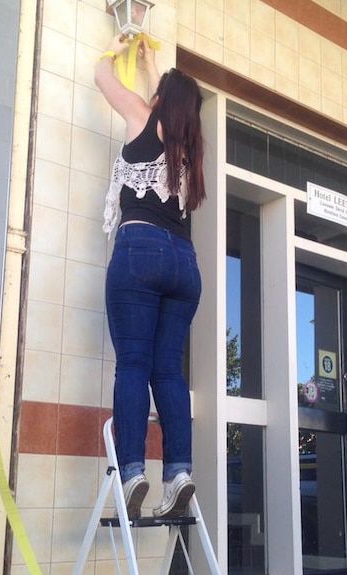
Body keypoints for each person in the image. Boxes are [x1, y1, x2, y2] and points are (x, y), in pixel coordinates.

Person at [94, 34, 206, 519]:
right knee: (167, 371)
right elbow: (168, 98)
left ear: (159, 101)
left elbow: (101, 77)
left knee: (133, 366)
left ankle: (133, 471)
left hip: (140, 251)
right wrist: (152, 64)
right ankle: (179, 471)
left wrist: (114, 46)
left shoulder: (142, 115)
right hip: (185, 262)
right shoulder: (189, 148)